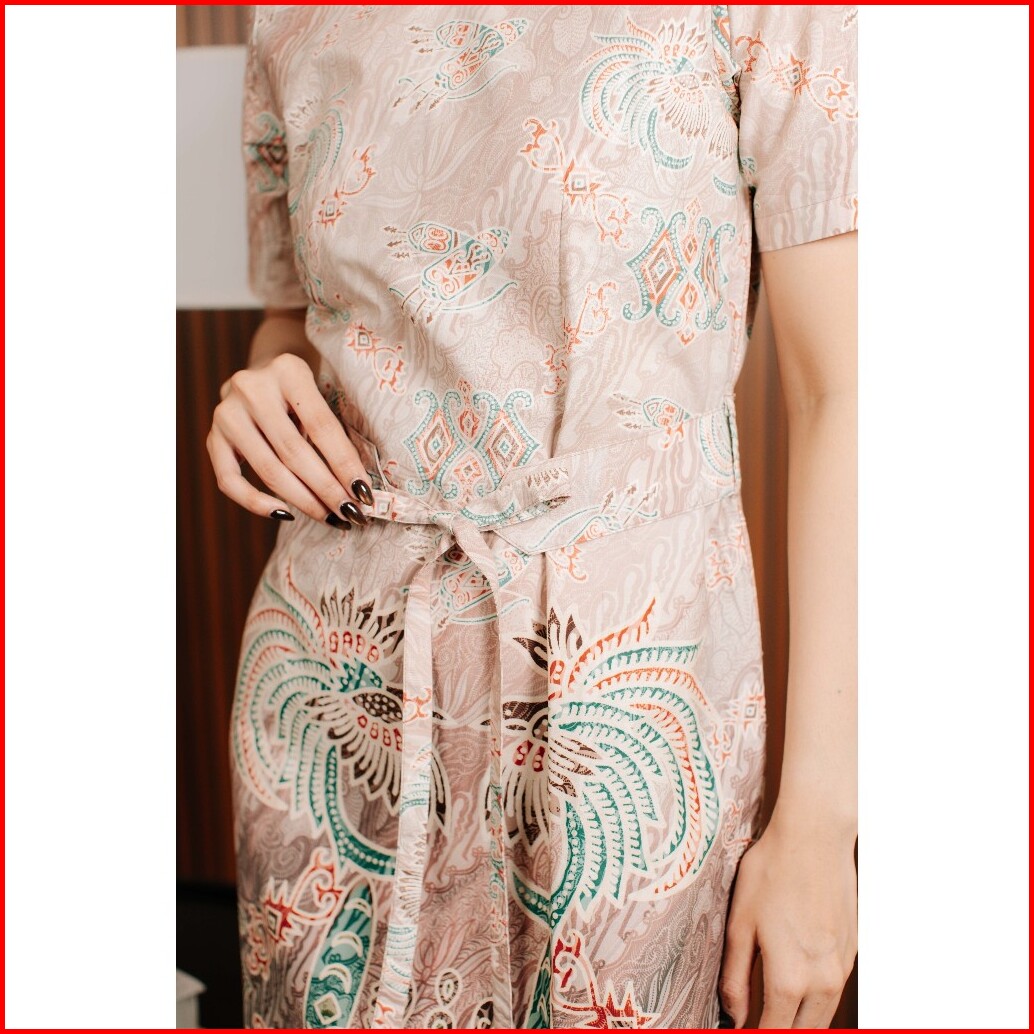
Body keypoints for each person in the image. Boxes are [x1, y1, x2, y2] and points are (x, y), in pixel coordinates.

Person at [208, 5, 857, 1028]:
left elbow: (845, 393)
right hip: (333, 693)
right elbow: (297, 319)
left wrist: (821, 821)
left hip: (623, 709)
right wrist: (261, 388)